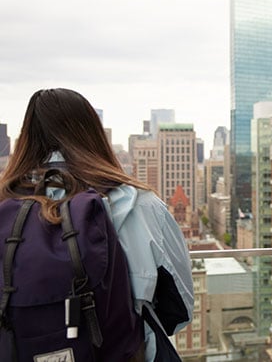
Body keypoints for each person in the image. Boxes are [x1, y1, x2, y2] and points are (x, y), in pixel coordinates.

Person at [0, 88, 194, 361]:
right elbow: (180, 309)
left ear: (26, 138)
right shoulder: (139, 204)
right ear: (93, 133)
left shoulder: (4, 203)